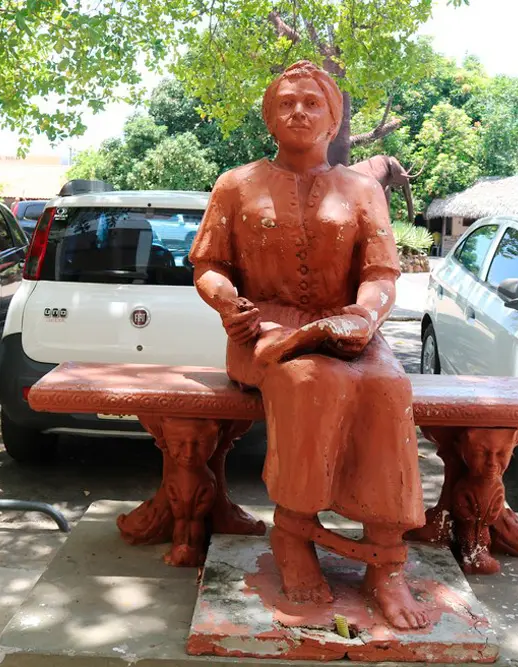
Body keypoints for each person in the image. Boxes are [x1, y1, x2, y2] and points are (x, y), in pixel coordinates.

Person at [188, 60, 428, 630]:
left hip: (348, 327)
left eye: (312, 102)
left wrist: (366, 315)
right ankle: (294, 537)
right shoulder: (237, 184)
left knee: (389, 387)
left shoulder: (363, 189)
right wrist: (228, 303)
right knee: (311, 380)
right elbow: (209, 265)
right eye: (287, 102)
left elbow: (382, 274)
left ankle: (385, 561)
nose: (299, 110)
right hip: (264, 332)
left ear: (332, 117)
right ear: (271, 117)